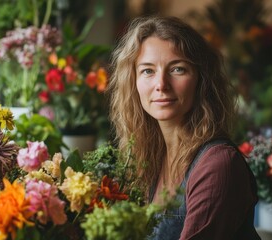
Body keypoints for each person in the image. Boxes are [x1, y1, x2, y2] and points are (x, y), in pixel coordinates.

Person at [107, 16, 260, 239]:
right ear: (133, 81)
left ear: (201, 79)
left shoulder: (217, 165)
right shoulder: (146, 158)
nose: (161, 85)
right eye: (148, 71)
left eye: (177, 69)